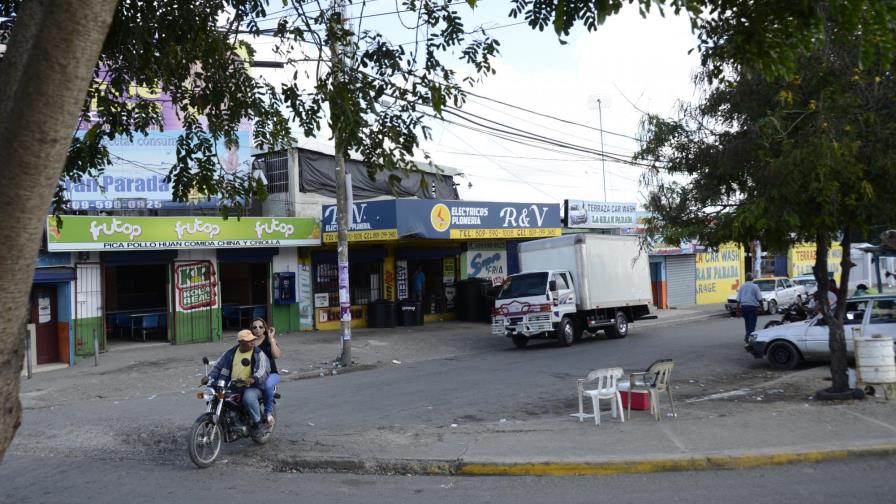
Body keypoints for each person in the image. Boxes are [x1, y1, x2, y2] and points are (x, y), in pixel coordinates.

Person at [203, 329, 270, 434]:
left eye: (253, 339)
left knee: (248, 398)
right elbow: (218, 366)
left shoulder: (258, 353)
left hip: (253, 386)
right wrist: (209, 377)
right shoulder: (230, 353)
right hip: (232, 385)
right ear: (240, 342)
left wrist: (253, 378)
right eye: (249, 340)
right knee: (215, 396)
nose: (253, 342)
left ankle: (258, 424)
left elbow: (263, 370)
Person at [251, 317, 281, 426]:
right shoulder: (250, 342)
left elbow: (276, 355)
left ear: (264, 329)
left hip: (271, 374)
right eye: (255, 327)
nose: (257, 329)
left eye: (260, 327)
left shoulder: (269, 340)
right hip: (255, 375)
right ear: (252, 330)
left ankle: (268, 412)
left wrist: (272, 339)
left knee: (268, 385)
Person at [736, 273, 763, 343]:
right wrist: (762, 307)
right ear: (752, 278)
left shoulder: (742, 286)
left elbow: (738, 300)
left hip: (744, 307)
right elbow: (760, 298)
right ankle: (748, 338)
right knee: (752, 324)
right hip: (753, 307)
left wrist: (738, 310)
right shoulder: (755, 286)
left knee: (747, 323)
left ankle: (748, 337)